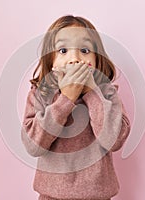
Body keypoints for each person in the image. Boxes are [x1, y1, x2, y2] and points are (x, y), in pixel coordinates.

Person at [21, 15, 131, 200]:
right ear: (51, 60)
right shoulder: (41, 94)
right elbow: (33, 146)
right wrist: (67, 98)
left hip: (98, 196)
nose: (75, 58)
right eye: (63, 50)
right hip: (51, 196)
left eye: (85, 50)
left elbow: (115, 140)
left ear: (97, 58)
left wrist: (91, 92)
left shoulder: (107, 93)